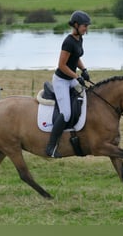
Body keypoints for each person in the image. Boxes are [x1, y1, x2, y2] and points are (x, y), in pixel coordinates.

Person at [46, 10, 91, 158]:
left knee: (88, 95)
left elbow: (76, 57)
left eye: (87, 26)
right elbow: (62, 65)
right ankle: (51, 147)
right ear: (76, 25)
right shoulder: (68, 41)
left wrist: (84, 69)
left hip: (71, 78)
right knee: (66, 113)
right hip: (61, 81)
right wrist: (76, 76)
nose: (87, 29)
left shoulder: (79, 39)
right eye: (85, 26)